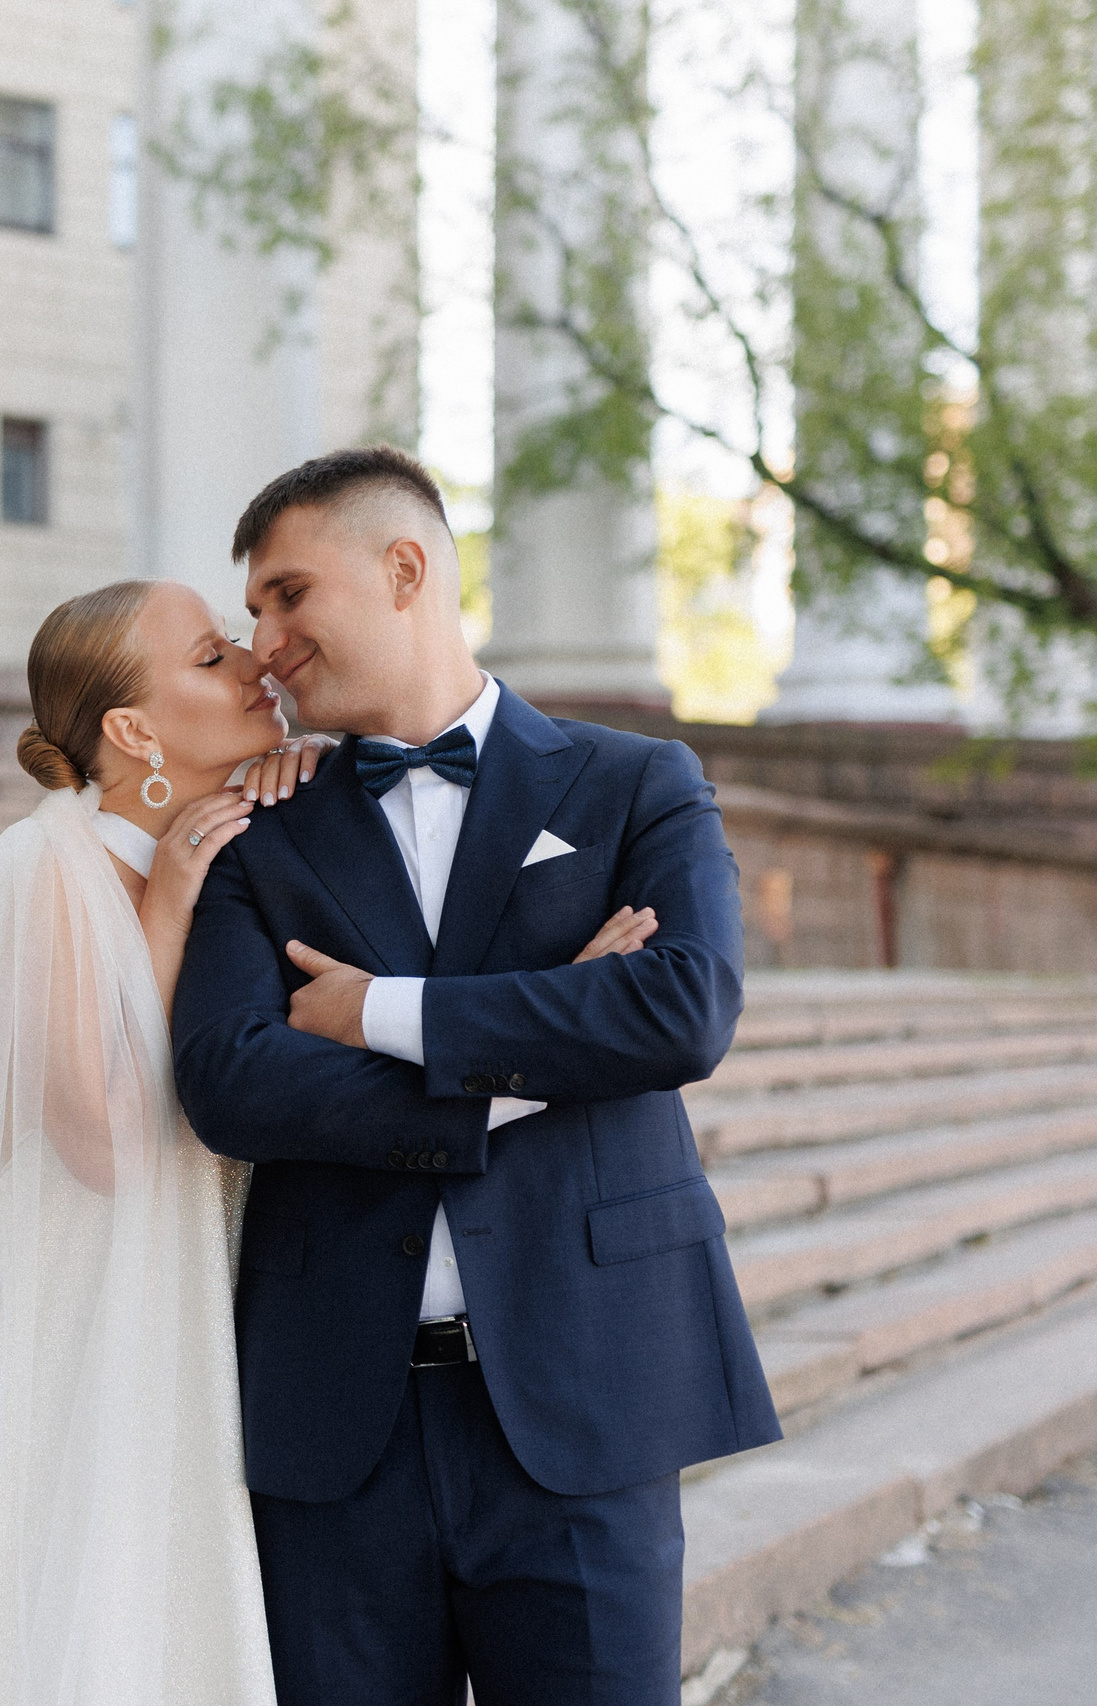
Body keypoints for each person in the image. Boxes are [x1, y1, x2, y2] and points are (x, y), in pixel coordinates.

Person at [0, 573, 657, 1706]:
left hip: (205, 1301)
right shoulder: (38, 870)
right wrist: (168, 906)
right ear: (131, 729)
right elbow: (99, 1135)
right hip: (85, 1314)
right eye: (209, 655)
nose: (255, 661)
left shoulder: (244, 839)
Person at [173, 446, 782, 1706]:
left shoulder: (633, 785)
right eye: (251, 616)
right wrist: (545, 1050)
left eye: (287, 595)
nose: (267, 641)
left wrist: (375, 1011)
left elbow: (678, 1008)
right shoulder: (259, 827)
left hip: (587, 1397)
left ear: (403, 569)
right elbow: (232, 1079)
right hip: (335, 1416)